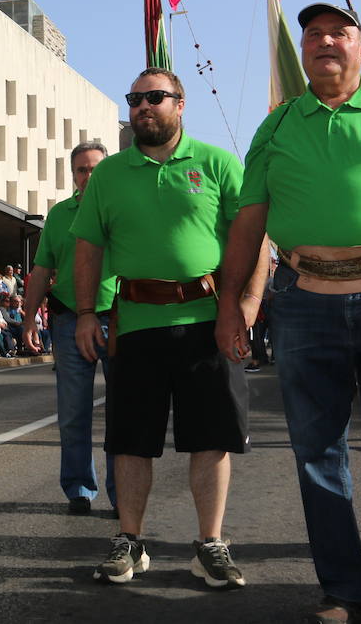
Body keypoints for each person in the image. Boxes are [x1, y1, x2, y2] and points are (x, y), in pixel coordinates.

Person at [216, 3, 361, 624]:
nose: (323, 41)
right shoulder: (279, 123)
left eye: (338, 32)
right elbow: (250, 220)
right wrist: (233, 305)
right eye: (313, 34)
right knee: (317, 450)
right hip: (303, 299)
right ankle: (342, 589)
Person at [71, 67, 248, 591]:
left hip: (207, 321)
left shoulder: (217, 163)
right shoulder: (108, 174)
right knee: (130, 440)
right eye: (135, 99)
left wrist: (246, 305)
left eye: (155, 97)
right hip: (137, 324)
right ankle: (130, 540)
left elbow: (249, 236)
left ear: (181, 103)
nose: (143, 106)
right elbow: (88, 247)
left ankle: (209, 544)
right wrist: (86, 312)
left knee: (211, 438)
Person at [22, 140, 118, 516]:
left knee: (122, 412)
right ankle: (79, 489)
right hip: (68, 320)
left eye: (95, 168)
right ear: (73, 174)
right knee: (73, 412)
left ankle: (122, 490)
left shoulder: (121, 207)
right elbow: (42, 269)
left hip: (120, 316)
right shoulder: (60, 215)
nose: (88, 175)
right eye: (81, 169)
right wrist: (29, 318)